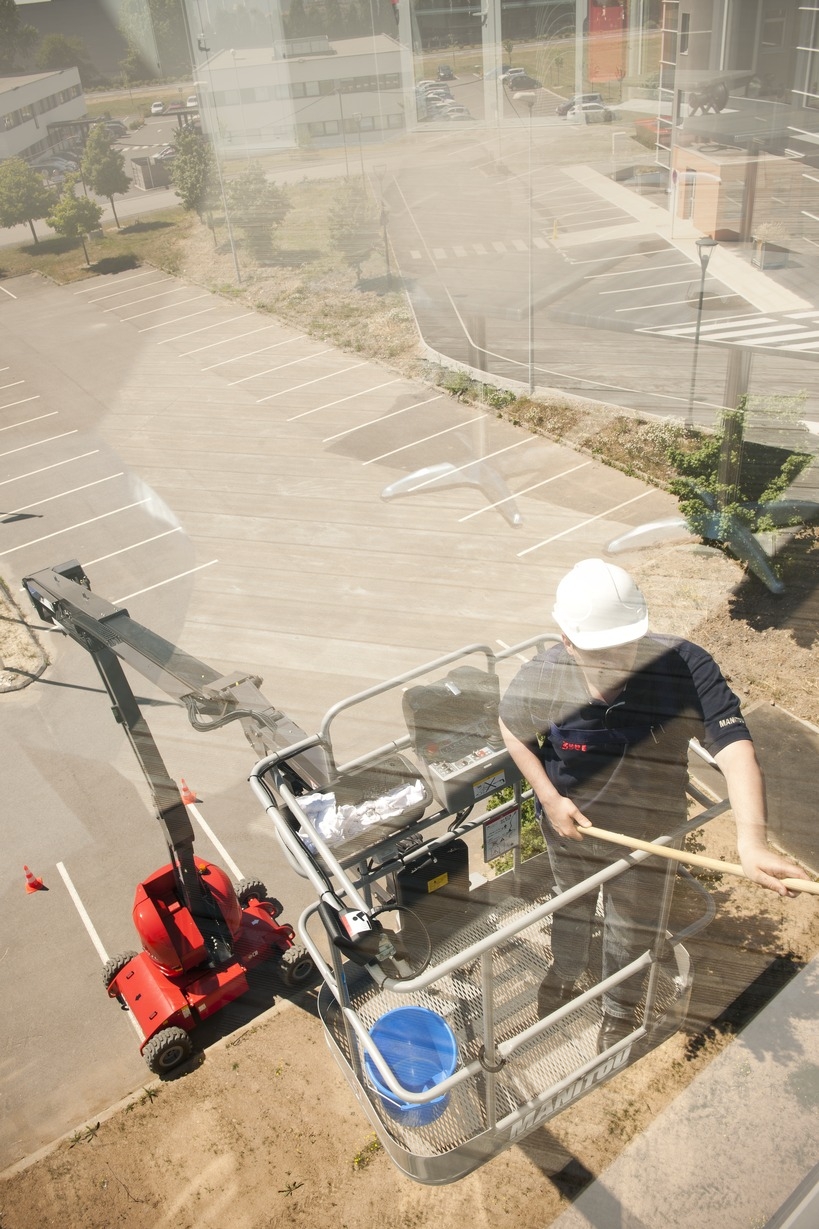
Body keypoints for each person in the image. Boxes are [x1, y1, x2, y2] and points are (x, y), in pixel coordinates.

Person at [499, 558, 807, 1054]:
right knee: (570, 906)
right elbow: (512, 729)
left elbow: (735, 750)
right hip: (570, 827)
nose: (621, 661)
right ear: (568, 642)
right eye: (602, 653)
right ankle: (564, 973)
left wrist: (751, 841)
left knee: (630, 928)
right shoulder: (546, 677)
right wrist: (550, 799)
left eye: (629, 645)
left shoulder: (684, 667)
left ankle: (618, 1013)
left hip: (651, 833)